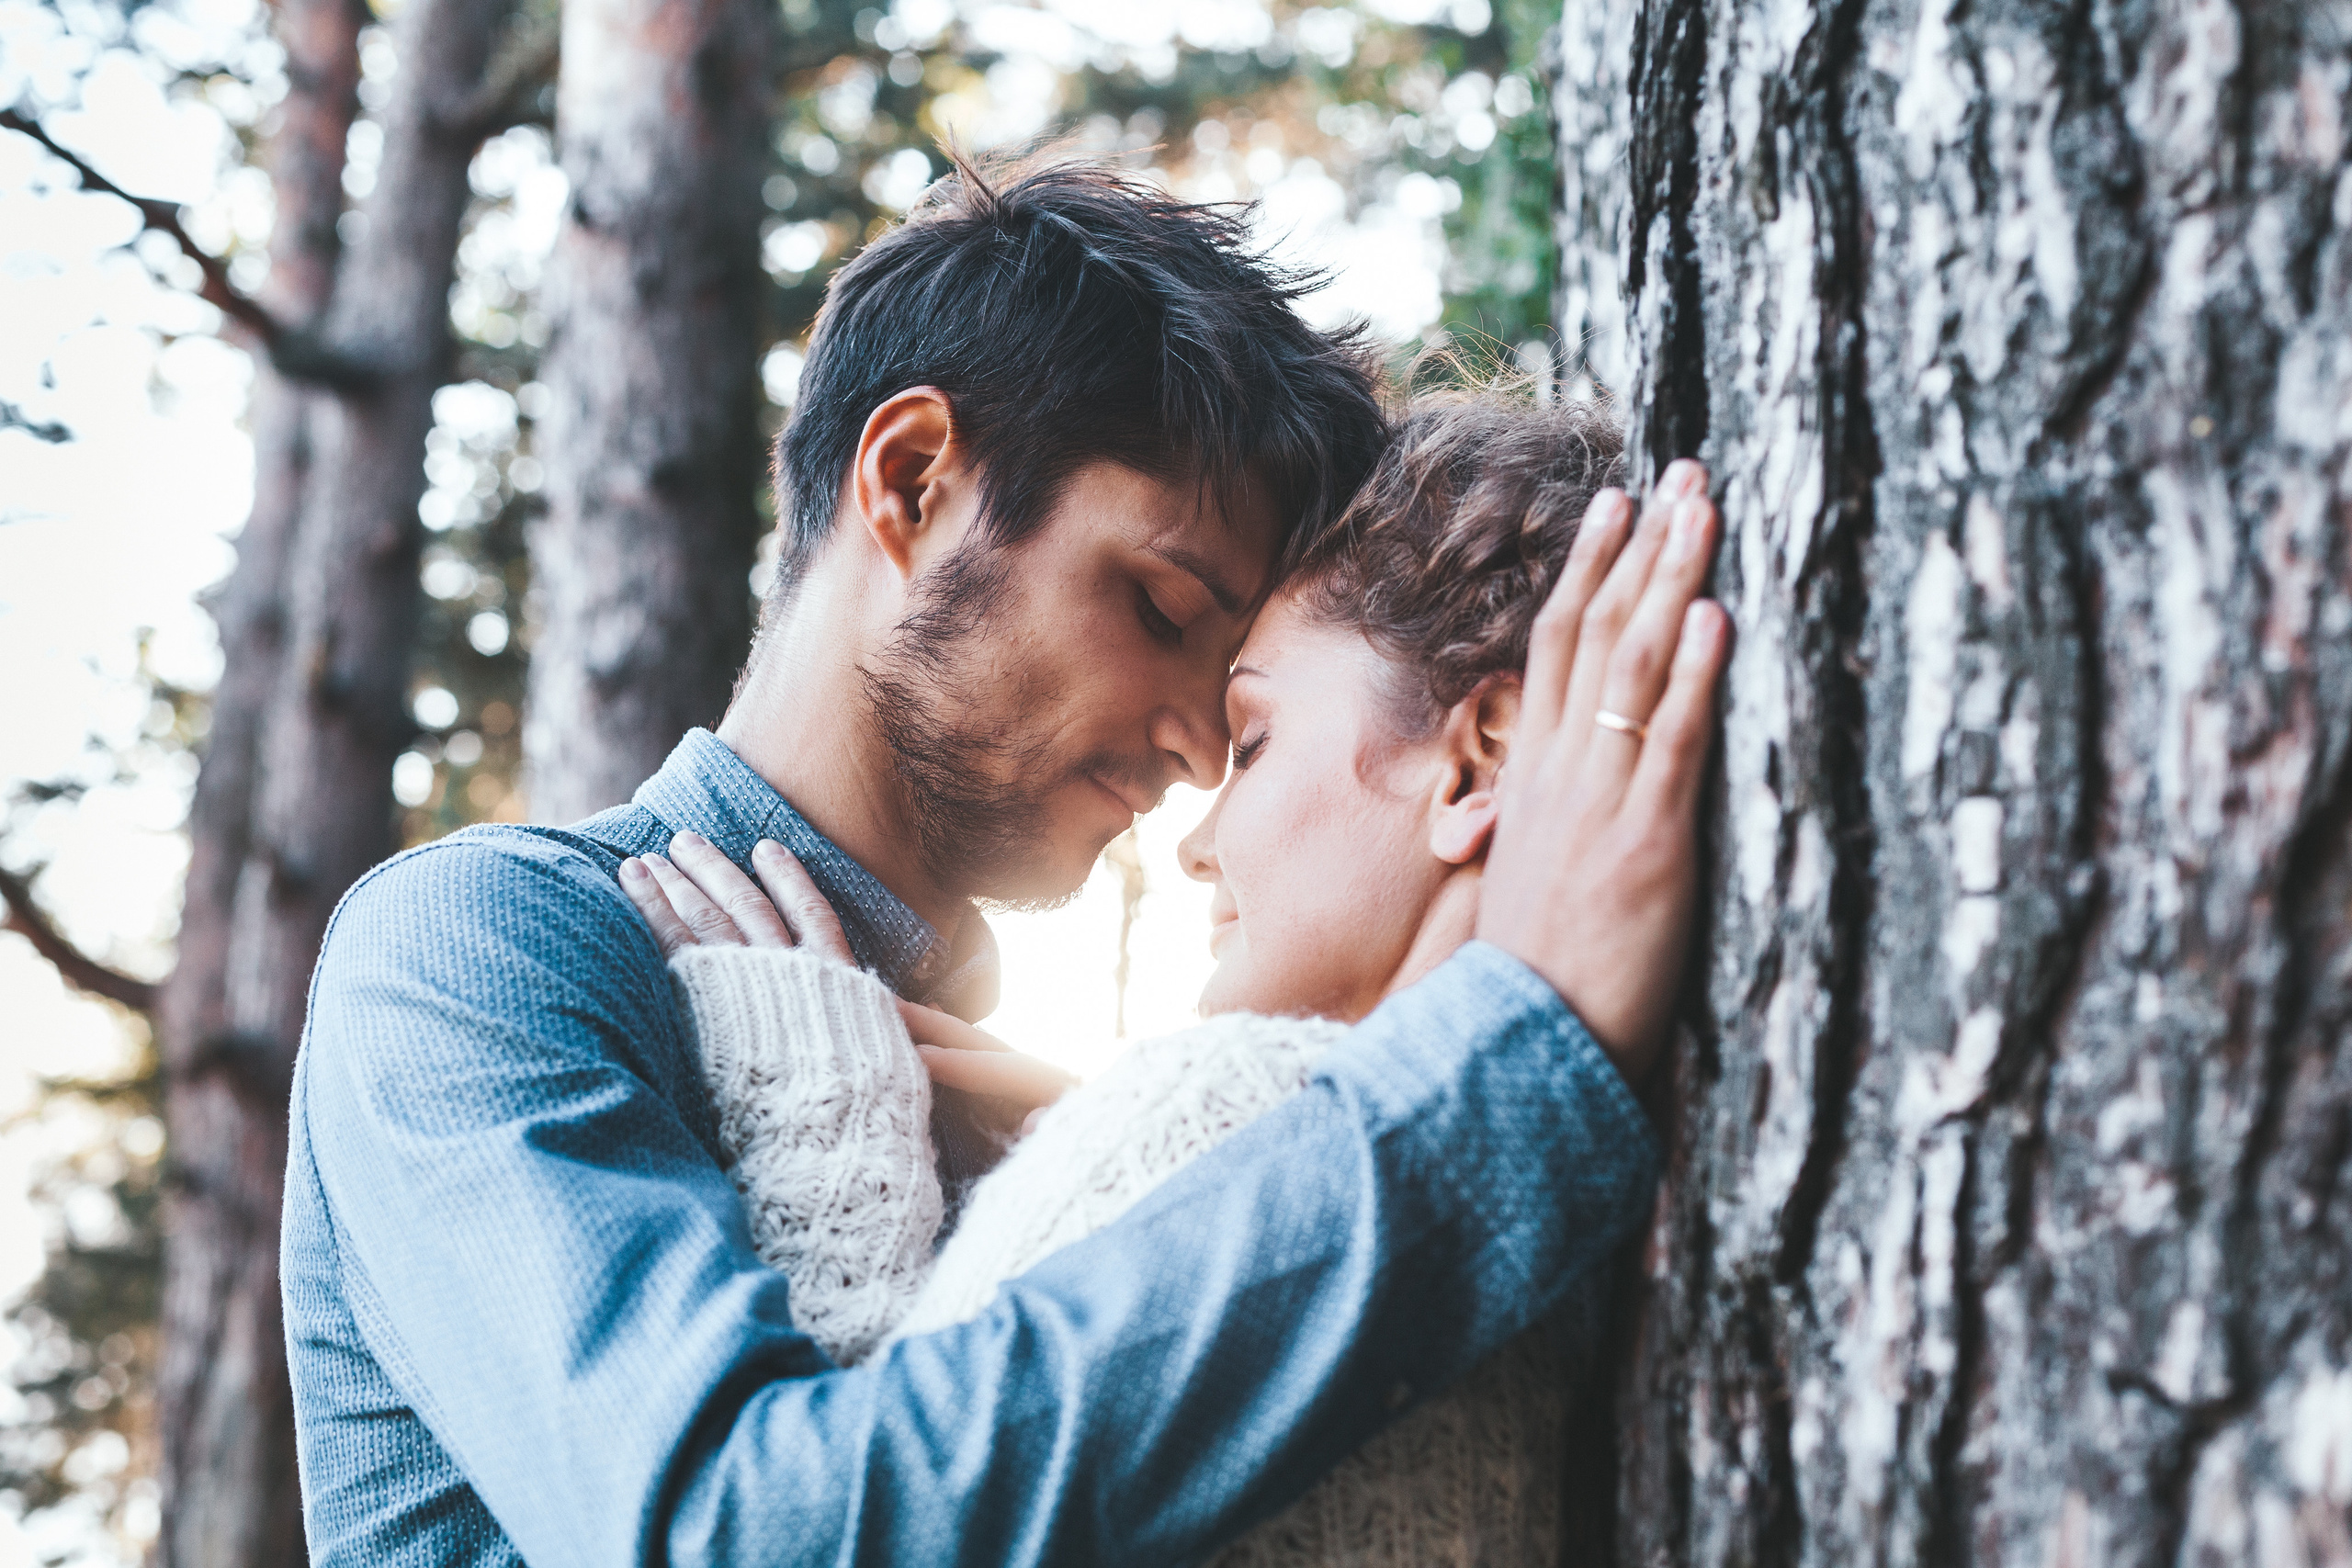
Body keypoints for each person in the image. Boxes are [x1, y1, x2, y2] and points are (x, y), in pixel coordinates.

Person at [281, 147, 1729, 1567]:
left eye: (1238, 699)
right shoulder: (489, 942)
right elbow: (735, 1529)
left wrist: (1150, 1165)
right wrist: (1514, 1071)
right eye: (1161, 607)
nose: (1191, 748)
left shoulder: (1002, 1099)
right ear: (911, 479)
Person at [620, 390, 1672, 1567]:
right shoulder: (1588, 1207)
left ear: (1477, 757)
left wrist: (822, 1119)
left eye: (1255, 736)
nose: (1192, 837)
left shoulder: (1212, 1109)